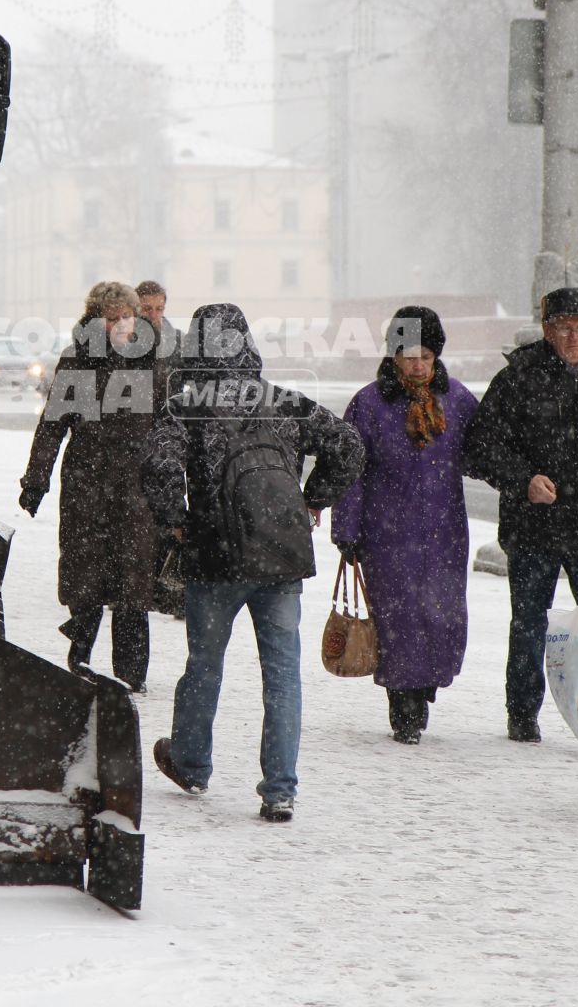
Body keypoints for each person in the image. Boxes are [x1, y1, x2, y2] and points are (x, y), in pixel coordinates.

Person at [142, 303, 364, 822]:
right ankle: (280, 788)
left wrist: (176, 518)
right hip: (282, 554)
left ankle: (192, 764)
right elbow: (349, 445)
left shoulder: (187, 403)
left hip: (216, 553)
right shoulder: (283, 401)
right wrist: (313, 500)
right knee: (283, 673)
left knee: (204, 665)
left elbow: (157, 462)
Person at [463, 287, 578, 754]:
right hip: (534, 528)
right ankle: (522, 713)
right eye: (564, 327)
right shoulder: (518, 377)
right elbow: (480, 447)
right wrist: (522, 479)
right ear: (547, 329)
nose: (574, 336)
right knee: (528, 623)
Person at [331, 307, 480, 744]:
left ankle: (425, 684)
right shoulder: (369, 404)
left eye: (426, 356)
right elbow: (351, 471)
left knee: (441, 615)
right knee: (398, 619)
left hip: (444, 529)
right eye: (409, 355)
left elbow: (485, 450)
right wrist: (347, 529)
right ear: (393, 356)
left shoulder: (457, 400)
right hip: (387, 532)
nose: (417, 365)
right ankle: (404, 703)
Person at [19, 281, 171, 692]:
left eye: (127, 316)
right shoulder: (78, 363)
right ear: (95, 321)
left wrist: (173, 488)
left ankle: (131, 675)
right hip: (87, 482)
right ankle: (81, 661)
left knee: (133, 583)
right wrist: (36, 481)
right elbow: (53, 425)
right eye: (113, 318)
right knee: (84, 577)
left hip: (137, 486)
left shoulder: (152, 361)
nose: (122, 325)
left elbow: (168, 428)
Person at [135, 279, 184, 619]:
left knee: (167, 510)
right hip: (136, 436)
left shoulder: (176, 343)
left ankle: (167, 585)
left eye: (159, 308)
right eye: (147, 309)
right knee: (137, 513)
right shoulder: (125, 342)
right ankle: (138, 582)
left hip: (167, 435)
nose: (154, 315)